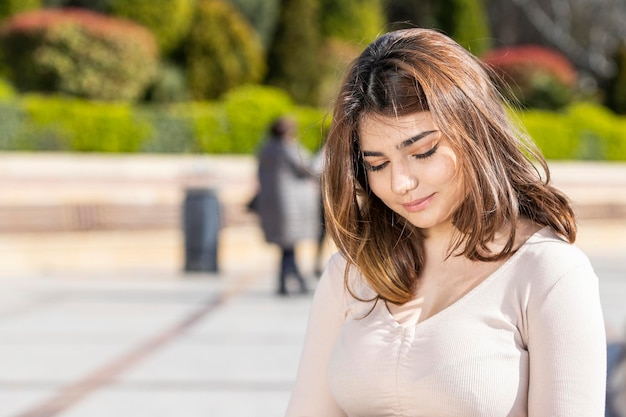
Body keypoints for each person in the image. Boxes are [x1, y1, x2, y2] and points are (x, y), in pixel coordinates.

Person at [285, 28, 607, 416]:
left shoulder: (548, 272)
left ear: (473, 130)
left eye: (423, 152)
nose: (401, 183)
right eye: (378, 164)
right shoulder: (351, 273)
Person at [256, 116, 320, 296]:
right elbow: (308, 167)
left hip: (271, 204)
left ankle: (287, 281)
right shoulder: (286, 149)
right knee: (288, 244)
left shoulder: (265, 149)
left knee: (285, 246)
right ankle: (294, 281)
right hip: (290, 205)